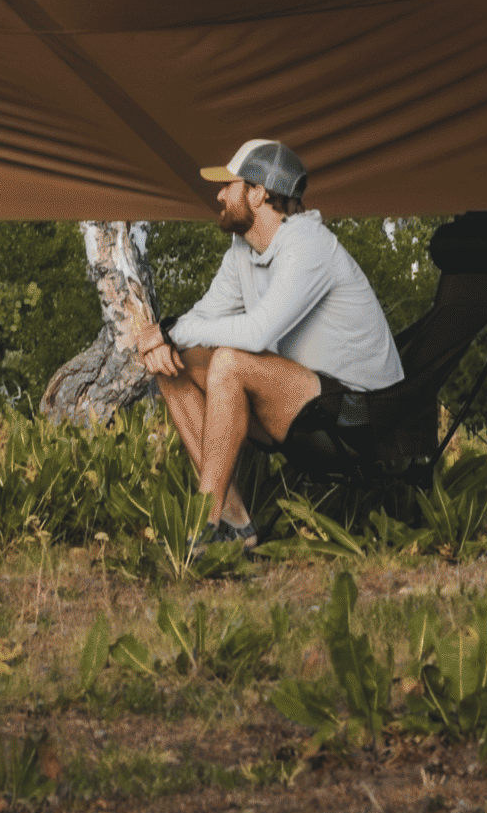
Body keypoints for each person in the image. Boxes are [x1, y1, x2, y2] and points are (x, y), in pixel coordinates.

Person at [127, 138, 403, 547]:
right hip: (306, 403)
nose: (219, 195)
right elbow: (204, 316)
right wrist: (166, 342)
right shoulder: (244, 249)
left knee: (229, 361)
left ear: (257, 192)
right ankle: (236, 525)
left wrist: (168, 332)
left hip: (360, 415)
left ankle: (200, 529)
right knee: (175, 365)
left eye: (229, 185)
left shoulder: (308, 246)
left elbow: (258, 333)